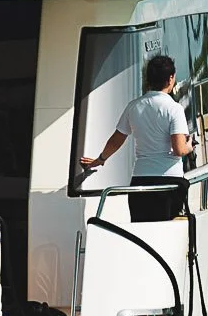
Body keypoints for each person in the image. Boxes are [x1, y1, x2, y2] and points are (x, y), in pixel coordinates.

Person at [81, 52, 192, 216]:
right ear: (170, 79)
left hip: (141, 180)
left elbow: (117, 139)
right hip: (169, 182)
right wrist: (189, 146)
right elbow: (179, 150)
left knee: (141, 231)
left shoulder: (134, 106)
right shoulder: (174, 109)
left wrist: (100, 159)